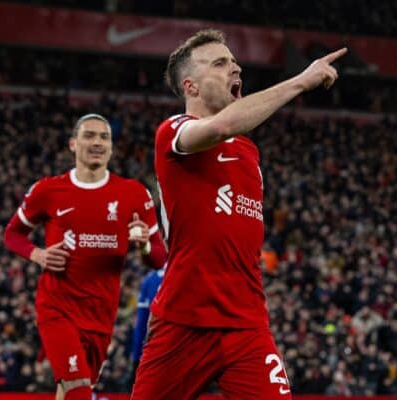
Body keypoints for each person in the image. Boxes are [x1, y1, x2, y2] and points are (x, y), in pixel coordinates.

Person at [131, 29, 346, 399]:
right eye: (219, 63)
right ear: (191, 86)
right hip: (184, 322)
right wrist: (300, 81)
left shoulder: (248, 152)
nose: (235, 68)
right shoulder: (173, 132)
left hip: (247, 325)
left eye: (234, 61)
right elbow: (223, 125)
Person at [4, 113, 167, 400]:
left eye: (104, 137)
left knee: (74, 389)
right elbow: (12, 234)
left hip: (101, 313)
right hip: (58, 307)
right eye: (89, 136)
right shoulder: (48, 190)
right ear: (72, 144)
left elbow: (158, 257)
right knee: (78, 387)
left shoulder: (133, 194)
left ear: (112, 148)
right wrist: (38, 254)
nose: (97, 142)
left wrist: (142, 246)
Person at [130, 267, 164, 375]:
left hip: (155, 350)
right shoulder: (189, 274)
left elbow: (141, 324)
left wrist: (136, 355)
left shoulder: (150, 280)